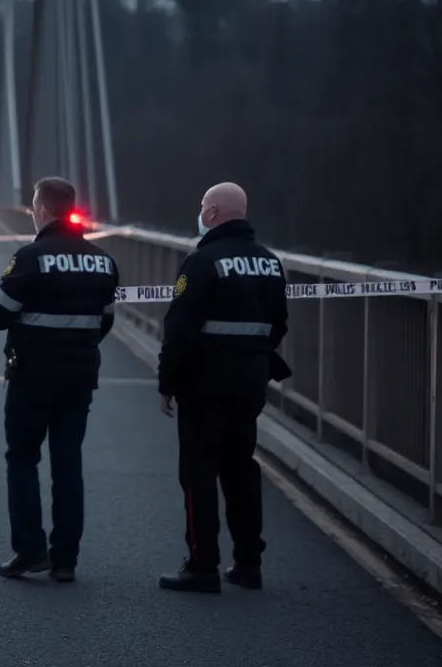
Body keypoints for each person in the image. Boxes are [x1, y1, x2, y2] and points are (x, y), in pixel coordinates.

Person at [156, 181, 290, 594]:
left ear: (212, 213)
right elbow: (279, 323)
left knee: (198, 474)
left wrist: (168, 382)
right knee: (241, 471)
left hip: (204, 386)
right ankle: (249, 564)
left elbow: (179, 329)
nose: (200, 213)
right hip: (249, 385)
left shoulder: (202, 261)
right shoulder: (269, 263)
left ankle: (202, 565)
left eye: (202, 207)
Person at [0, 177, 119, 583]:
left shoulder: (29, 257)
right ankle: (65, 560)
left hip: (31, 376)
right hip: (79, 377)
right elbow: (106, 320)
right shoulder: (101, 260)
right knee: (68, 464)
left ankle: (29, 551)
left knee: (23, 458)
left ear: (41, 209)